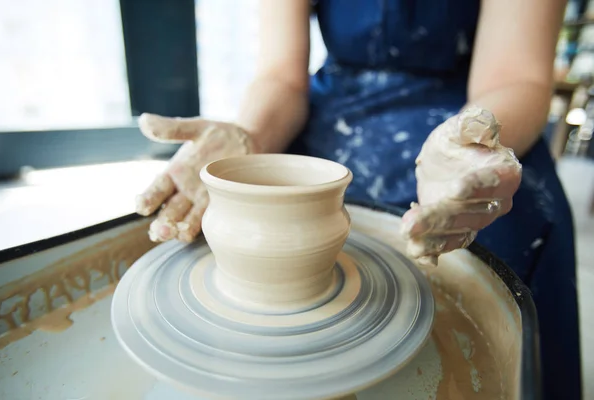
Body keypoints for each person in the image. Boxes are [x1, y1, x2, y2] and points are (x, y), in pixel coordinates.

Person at [134, 1, 580, 398]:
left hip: (470, 110)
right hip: (333, 107)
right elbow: (280, 75)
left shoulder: (472, 128)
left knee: (496, 235)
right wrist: (251, 138)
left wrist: (469, 148)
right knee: (268, 213)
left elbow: (516, 75)